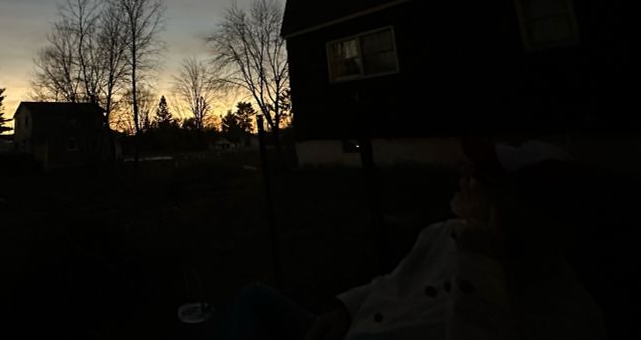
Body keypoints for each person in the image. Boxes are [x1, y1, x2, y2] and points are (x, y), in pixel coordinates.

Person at [226, 142, 606, 340]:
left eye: (486, 178)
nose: (465, 176)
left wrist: (479, 256)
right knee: (254, 298)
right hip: (351, 327)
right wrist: (344, 310)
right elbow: (393, 282)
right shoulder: (443, 233)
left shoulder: (565, 312)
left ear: (526, 207)